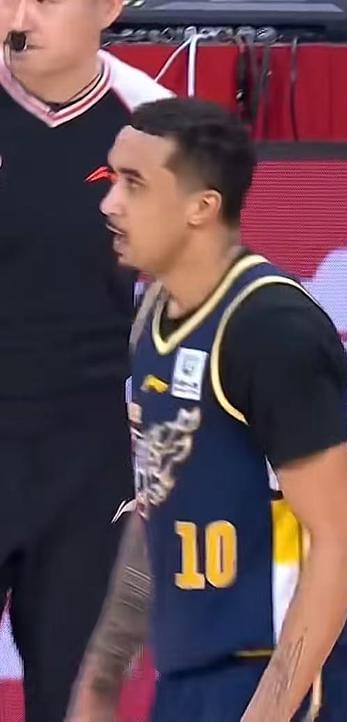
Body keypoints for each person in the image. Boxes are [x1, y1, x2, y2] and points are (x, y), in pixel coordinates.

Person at [66, 97, 347, 722]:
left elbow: (340, 545)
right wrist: (105, 667)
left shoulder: (271, 328)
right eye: (112, 180)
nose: (109, 204)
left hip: (274, 673)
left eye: (134, 185)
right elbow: (158, 493)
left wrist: (270, 710)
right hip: (188, 675)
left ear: (201, 207)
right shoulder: (152, 315)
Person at [0, 0, 171, 719]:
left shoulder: (155, 123)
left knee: (74, 695)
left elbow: (193, 293)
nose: (19, 16)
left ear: (109, 6)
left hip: (89, 461)